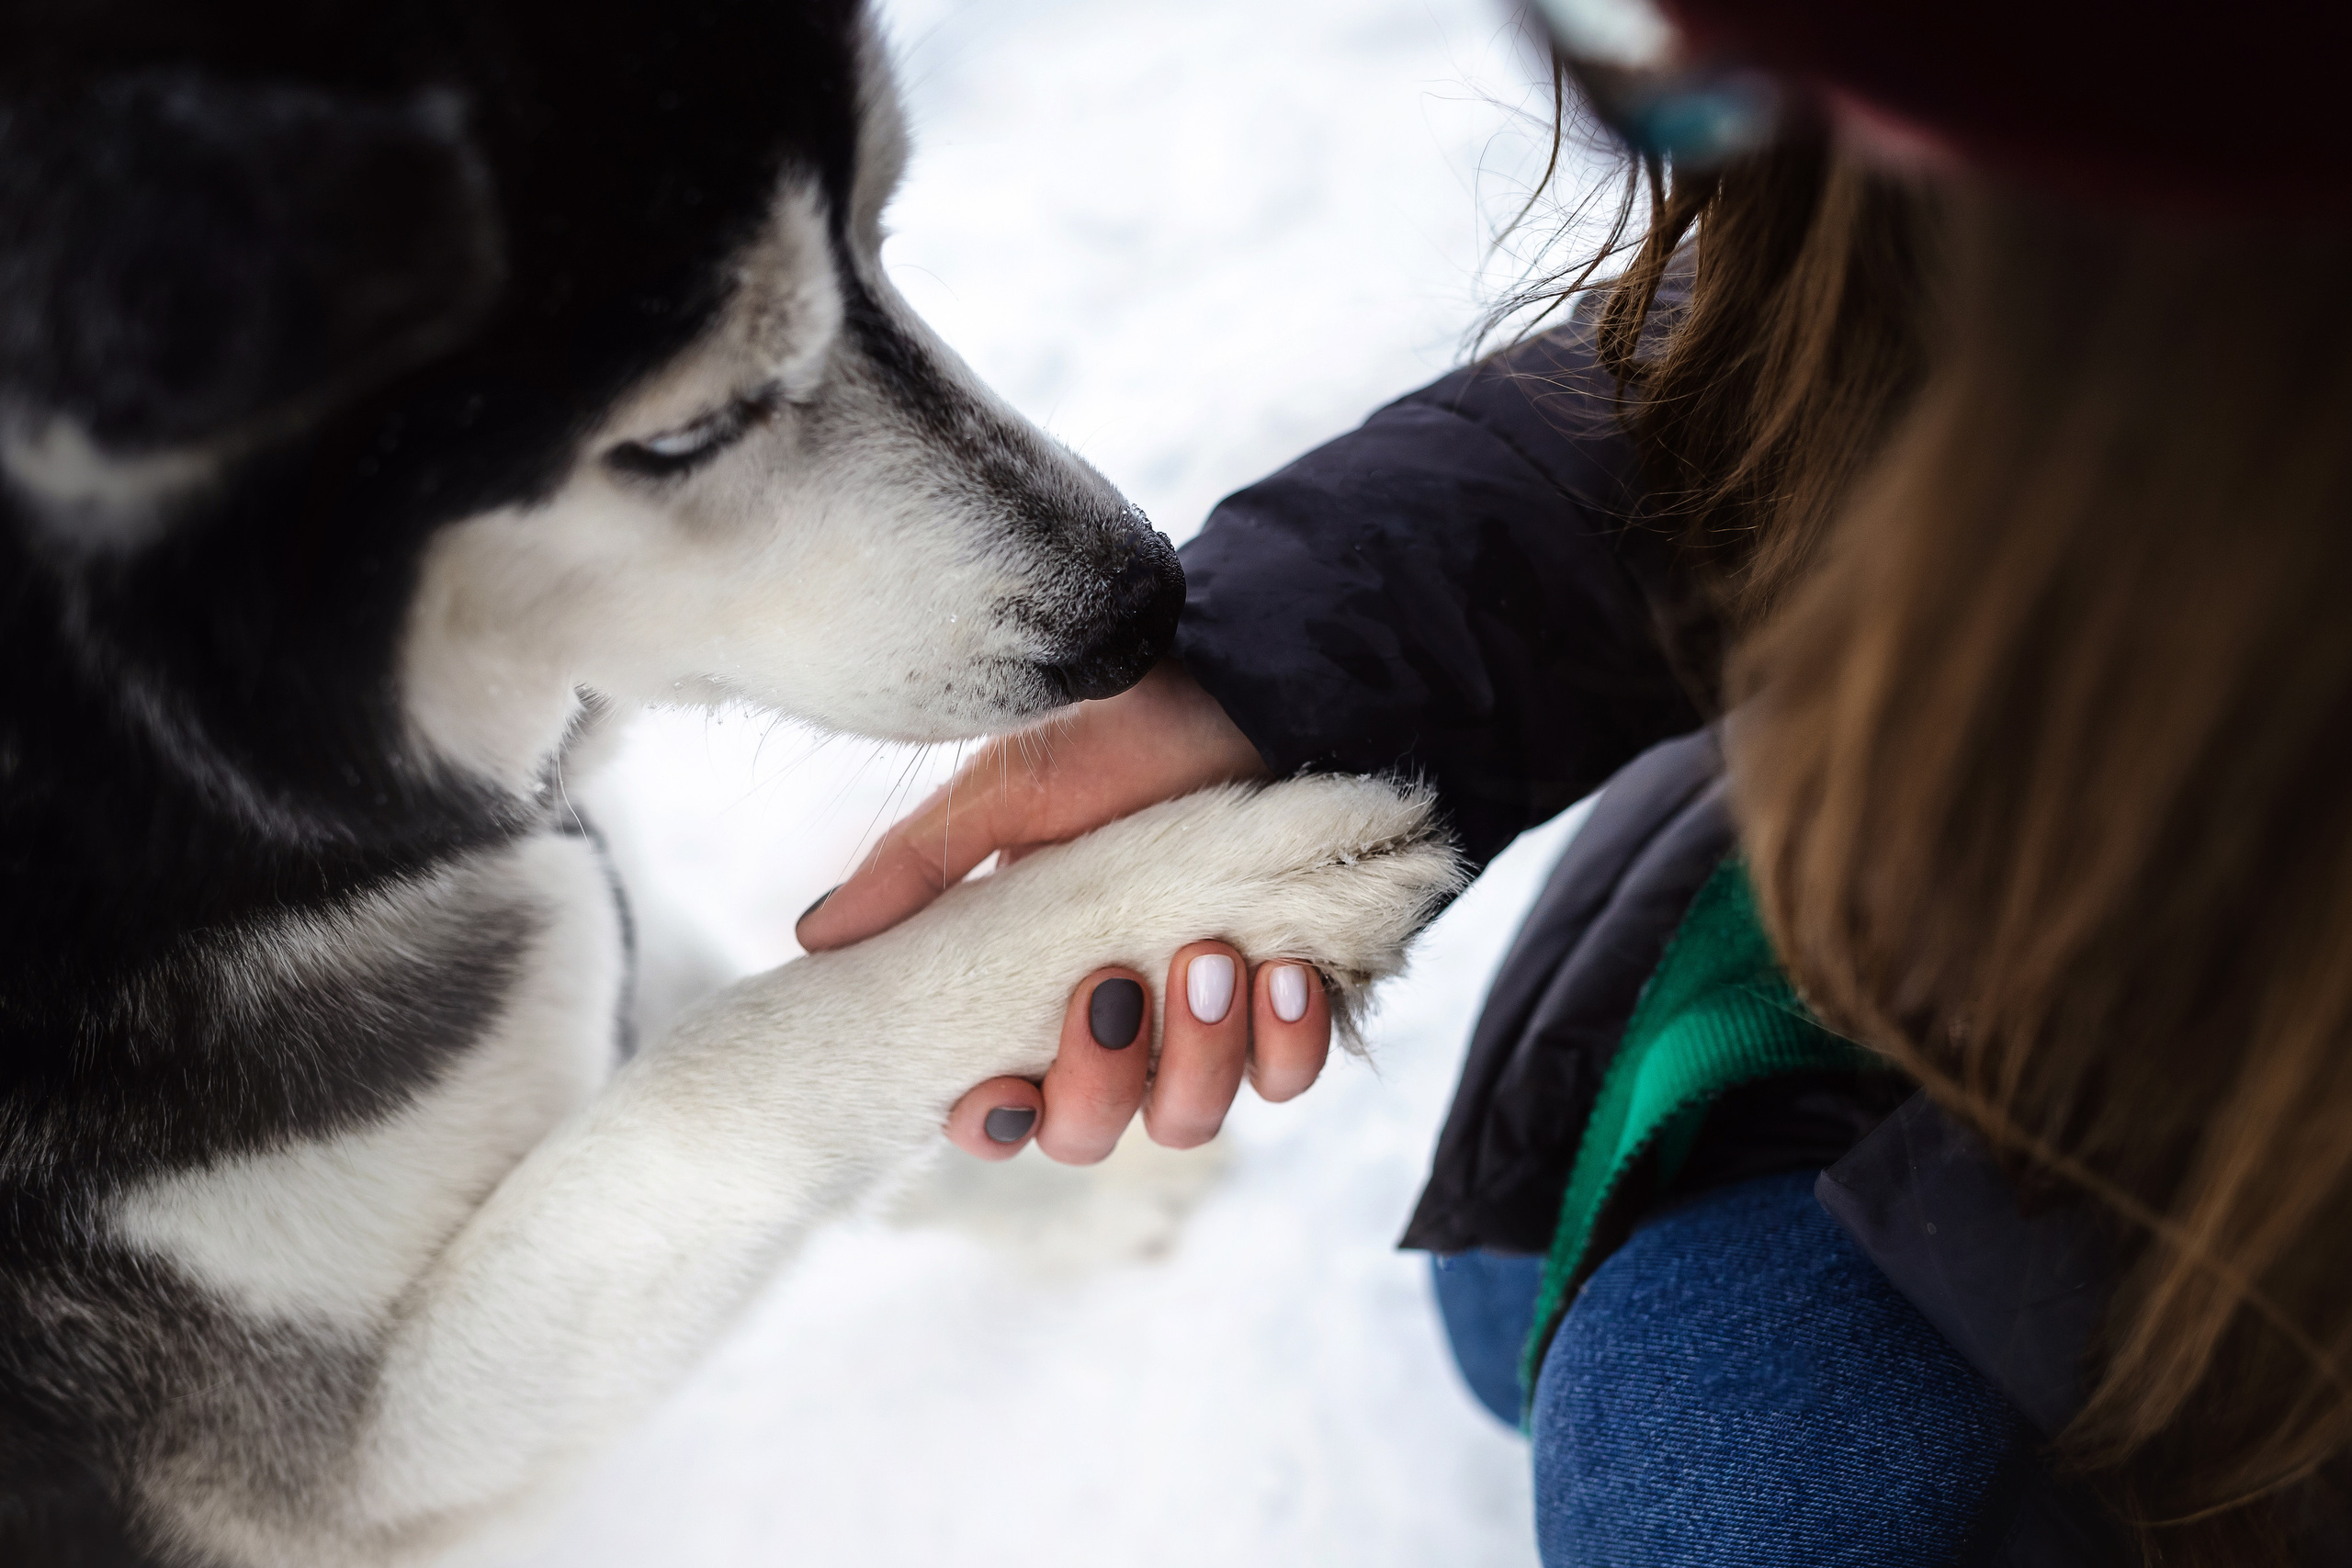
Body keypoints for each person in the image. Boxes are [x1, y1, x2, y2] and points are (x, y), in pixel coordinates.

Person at [806, 0, 2352, 1561]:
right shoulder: (2046, 250)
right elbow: (1849, 356)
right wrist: (1276, 683)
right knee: (1526, 1289)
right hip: (1932, 948)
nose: (1681, 101)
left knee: (1723, 1473)